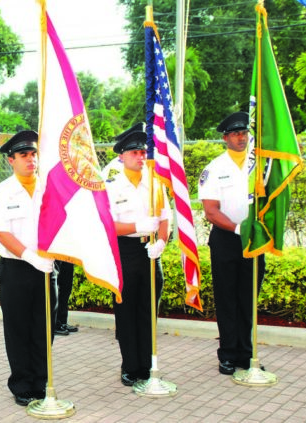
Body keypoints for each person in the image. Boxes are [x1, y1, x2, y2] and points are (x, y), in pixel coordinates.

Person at [0, 130, 58, 406]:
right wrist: (29, 255)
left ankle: (41, 380)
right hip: (17, 269)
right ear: (11, 160)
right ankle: (22, 385)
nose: (31, 160)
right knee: (18, 328)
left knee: (44, 326)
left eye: (34, 154)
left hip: (47, 266)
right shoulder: (1, 193)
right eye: (24, 155)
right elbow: (0, 232)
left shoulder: (51, 188)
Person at [198, 111, 266, 375]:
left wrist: (255, 231)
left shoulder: (260, 164)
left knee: (248, 298)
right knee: (226, 298)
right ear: (225, 138)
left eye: (244, 133)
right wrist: (239, 229)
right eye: (236, 134)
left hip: (254, 240)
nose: (241, 137)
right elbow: (211, 212)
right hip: (226, 240)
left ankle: (246, 353)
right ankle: (227, 354)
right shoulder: (214, 169)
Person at [105, 123, 170, 386]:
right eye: (134, 153)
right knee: (127, 310)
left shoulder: (154, 180)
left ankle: (147, 364)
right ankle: (130, 366)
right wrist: (136, 227)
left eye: (143, 152)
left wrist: (162, 241)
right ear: (121, 156)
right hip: (125, 250)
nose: (141, 157)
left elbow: (165, 216)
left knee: (148, 310)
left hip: (151, 251)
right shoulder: (111, 185)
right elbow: (107, 225)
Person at [54, 260, 78, 336]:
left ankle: (63, 321)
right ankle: (55, 324)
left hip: (66, 255)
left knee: (66, 289)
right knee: (55, 290)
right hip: (54, 257)